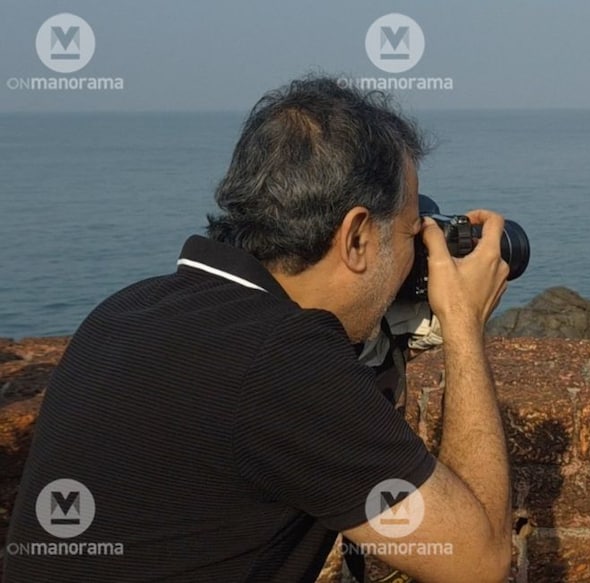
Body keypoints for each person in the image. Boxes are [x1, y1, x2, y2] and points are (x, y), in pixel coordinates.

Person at [4, 76, 512, 583]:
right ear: (356, 238)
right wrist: (463, 324)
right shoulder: (283, 359)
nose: (418, 253)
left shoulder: (125, 309)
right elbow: (478, 562)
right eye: (410, 232)